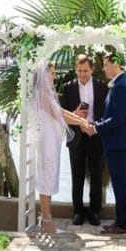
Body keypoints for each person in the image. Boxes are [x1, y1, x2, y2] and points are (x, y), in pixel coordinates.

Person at [32, 61, 91, 234]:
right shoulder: (41, 94)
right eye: (52, 73)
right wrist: (81, 121)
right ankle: (46, 221)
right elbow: (59, 114)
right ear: (44, 75)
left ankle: (46, 219)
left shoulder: (47, 94)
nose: (55, 76)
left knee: (50, 176)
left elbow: (61, 111)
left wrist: (80, 119)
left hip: (52, 141)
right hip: (46, 142)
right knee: (46, 178)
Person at [86, 52, 126, 235]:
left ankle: (123, 225)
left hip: (118, 143)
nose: (103, 68)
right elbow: (111, 116)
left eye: (106, 64)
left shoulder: (122, 86)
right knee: (119, 182)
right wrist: (96, 124)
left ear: (116, 64)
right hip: (116, 142)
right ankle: (121, 222)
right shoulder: (120, 83)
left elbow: (118, 119)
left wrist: (96, 129)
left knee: (120, 183)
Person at [59, 53, 108, 226]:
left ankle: (95, 212)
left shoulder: (103, 87)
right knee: (77, 176)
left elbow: (106, 113)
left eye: (85, 71)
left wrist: (94, 125)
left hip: (95, 136)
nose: (82, 74)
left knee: (96, 176)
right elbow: (61, 115)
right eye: (79, 71)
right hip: (76, 137)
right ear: (75, 69)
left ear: (92, 69)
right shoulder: (68, 88)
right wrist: (75, 116)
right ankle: (78, 211)